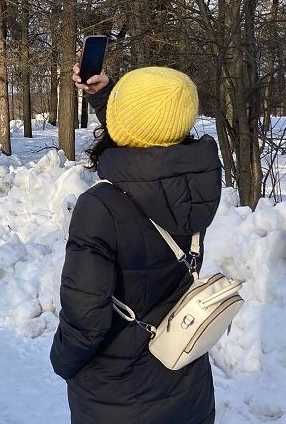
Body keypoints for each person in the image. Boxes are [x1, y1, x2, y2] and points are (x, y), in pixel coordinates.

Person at [49, 65, 222, 424]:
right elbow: (149, 153)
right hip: (187, 385)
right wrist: (103, 96)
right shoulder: (195, 185)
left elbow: (86, 320)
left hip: (118, 398)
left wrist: (62, 362)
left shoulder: (100, 207)